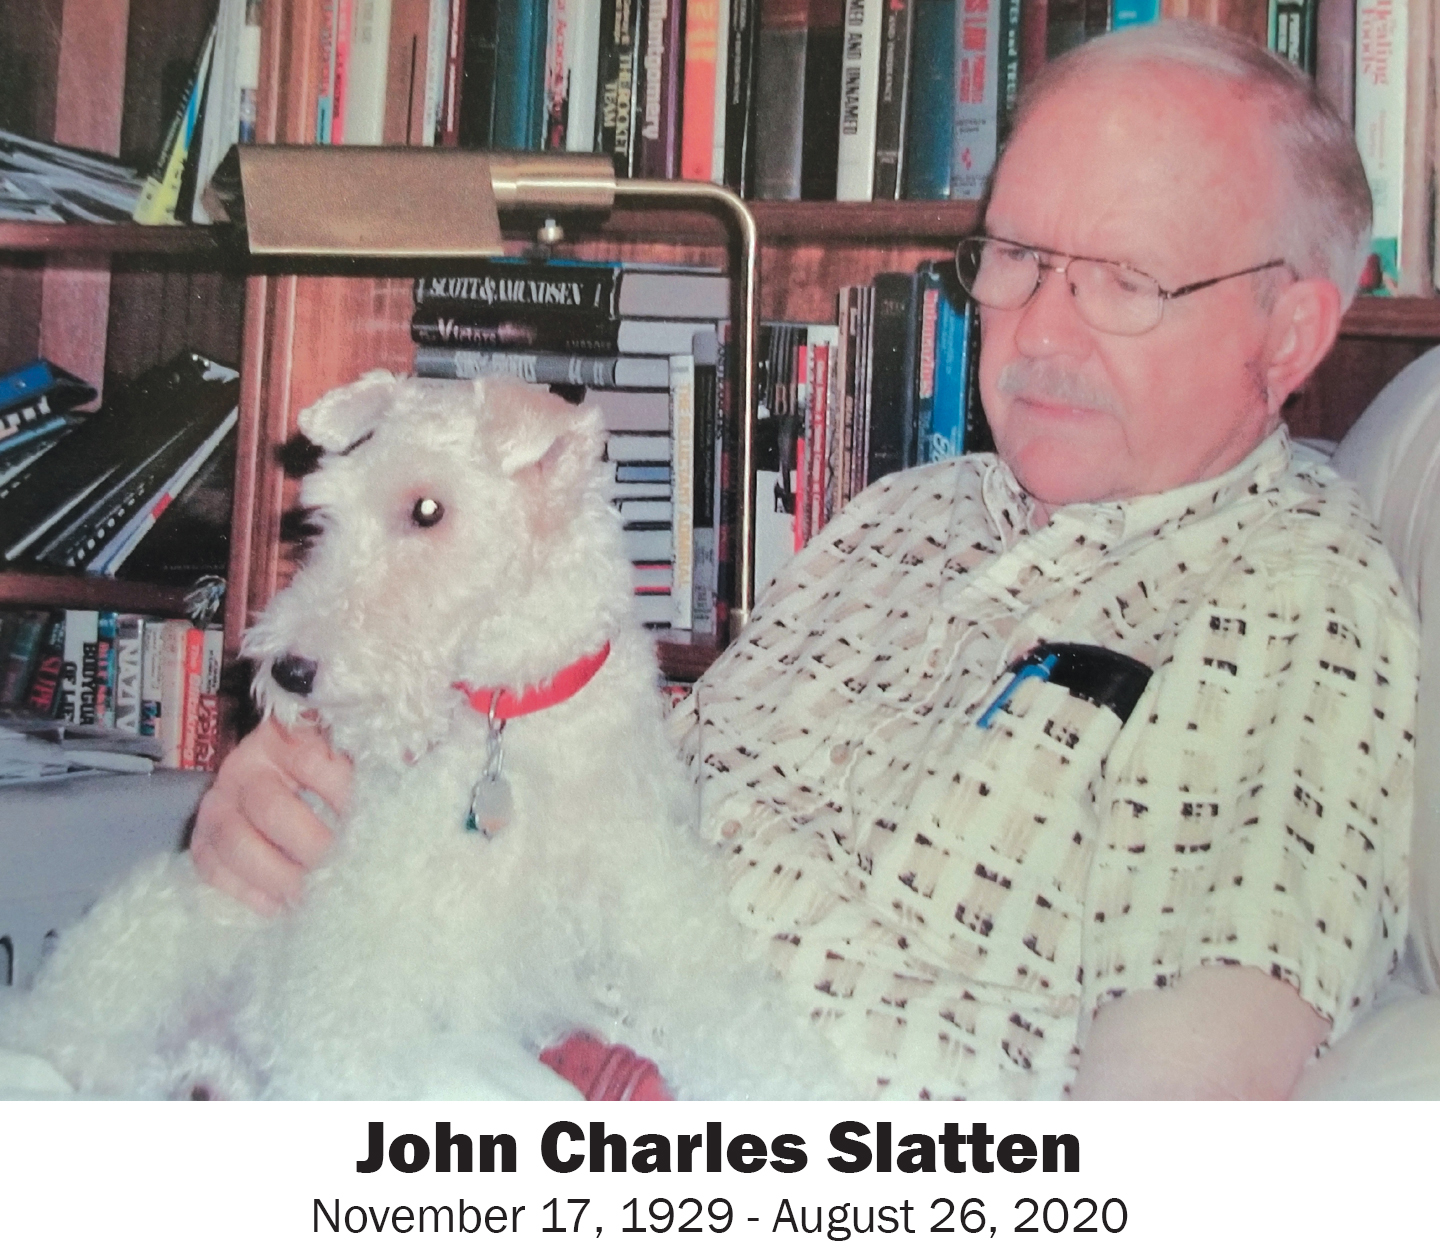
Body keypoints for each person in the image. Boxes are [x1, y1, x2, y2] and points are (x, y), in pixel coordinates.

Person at [190, 20, 1418, 1099]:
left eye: (1125, 281)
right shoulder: (905, 511)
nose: (1040, 328)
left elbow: (1184, 1100)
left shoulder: (1284, 598)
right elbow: (612, 802)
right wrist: (308, 814)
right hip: (486, 1022)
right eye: (1018, 257)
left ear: (1289, 332)